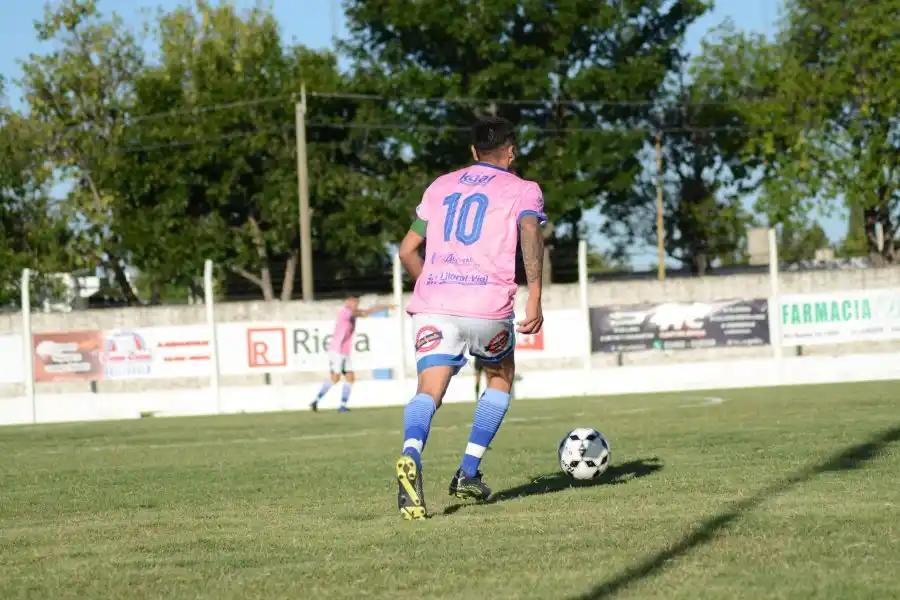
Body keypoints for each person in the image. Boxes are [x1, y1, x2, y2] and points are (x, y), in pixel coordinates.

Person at [394, 116, 546, 520]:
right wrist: (535, 296)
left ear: (473, 152)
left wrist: (435, 287)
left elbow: (408, 250)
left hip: (433, 305)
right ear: (510, 151)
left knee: (429, 390)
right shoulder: (523, 190)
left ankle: (411, 453)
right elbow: (530, 232)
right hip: (487, 307)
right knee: (500, 376)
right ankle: (468, 471)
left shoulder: (440, 186)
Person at [309, 296, 392, 413]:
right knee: (335, 378)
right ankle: (316, 401)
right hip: (336, 351)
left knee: (350, 377)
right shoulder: (346, 312)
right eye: (353, 303)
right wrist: (381, 307)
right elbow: (361, 313)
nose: (355, 305)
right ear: (347, 303)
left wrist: (384, 307)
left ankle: (342, 405)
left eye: (356, 303)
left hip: (344, 351)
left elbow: (365, 313)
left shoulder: (353, 313)